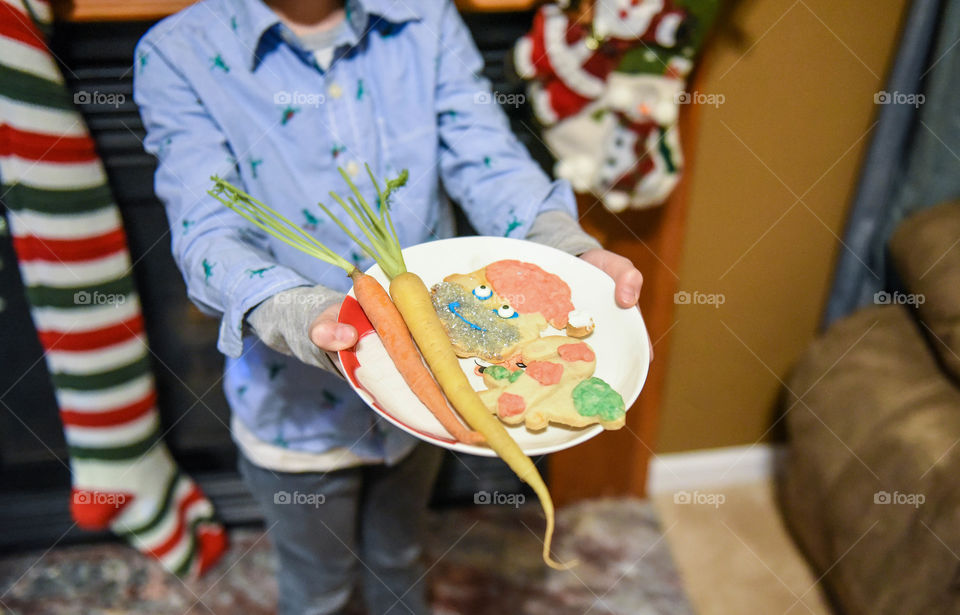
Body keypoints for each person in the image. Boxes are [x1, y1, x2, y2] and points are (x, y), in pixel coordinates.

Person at [134, 0, 646, 613]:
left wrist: (565, 250)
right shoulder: (178, 51)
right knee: (317, 587)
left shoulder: (425, 17)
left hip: (432, 387)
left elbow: (488, 158)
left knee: (401, 556)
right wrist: (299, 312)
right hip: (295, 413)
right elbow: (205, 231)